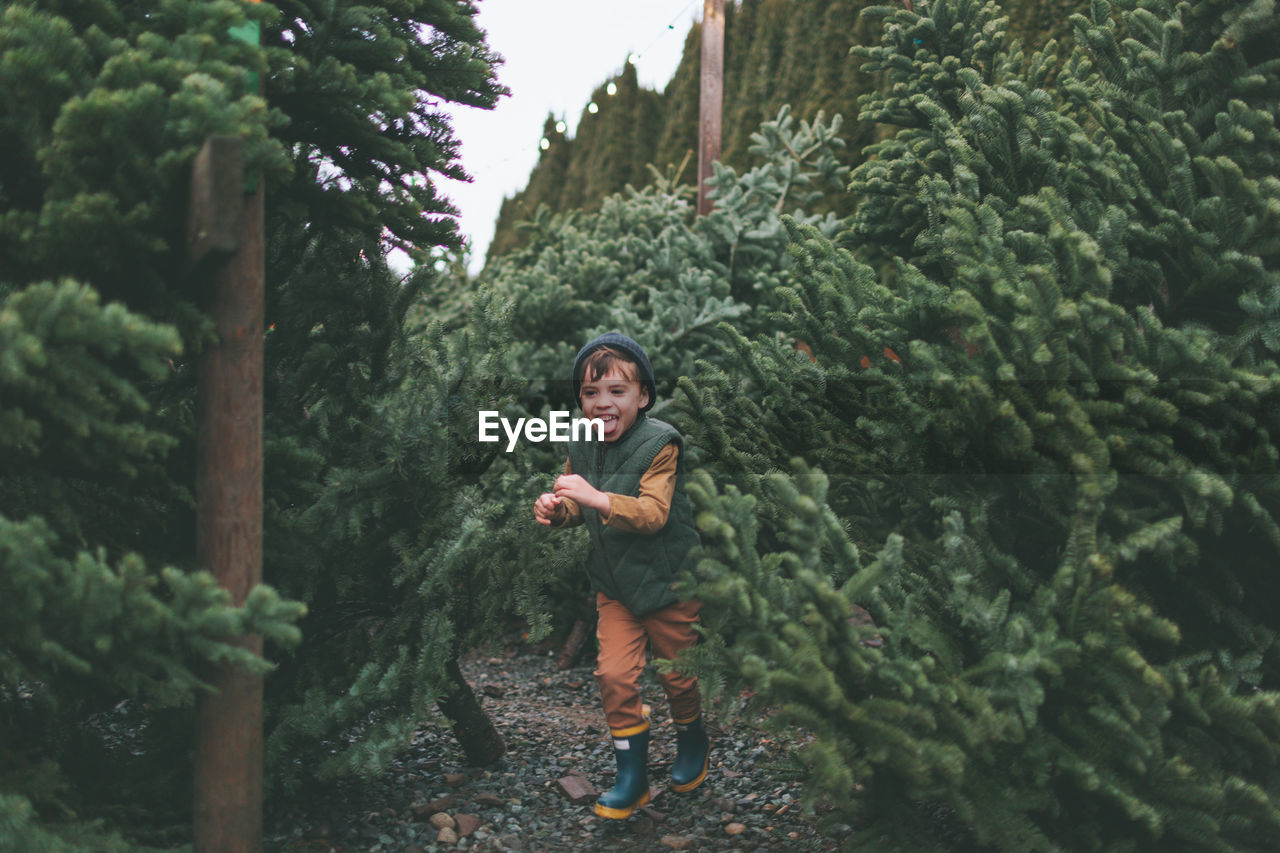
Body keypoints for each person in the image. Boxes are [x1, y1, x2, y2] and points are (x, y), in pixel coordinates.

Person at [533, 332, 710, 820]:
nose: (602, 404)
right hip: (616, 588)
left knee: (678, 675)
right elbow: (575, 501)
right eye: (591, 393)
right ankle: (632, 777)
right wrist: (557, 508)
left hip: (670, 585)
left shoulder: (660, 443)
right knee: (613, 674)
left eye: (617, 391)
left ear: (643, 397)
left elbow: (653, 514)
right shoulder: (581, 441)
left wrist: (591, 496)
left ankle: (692, 737)